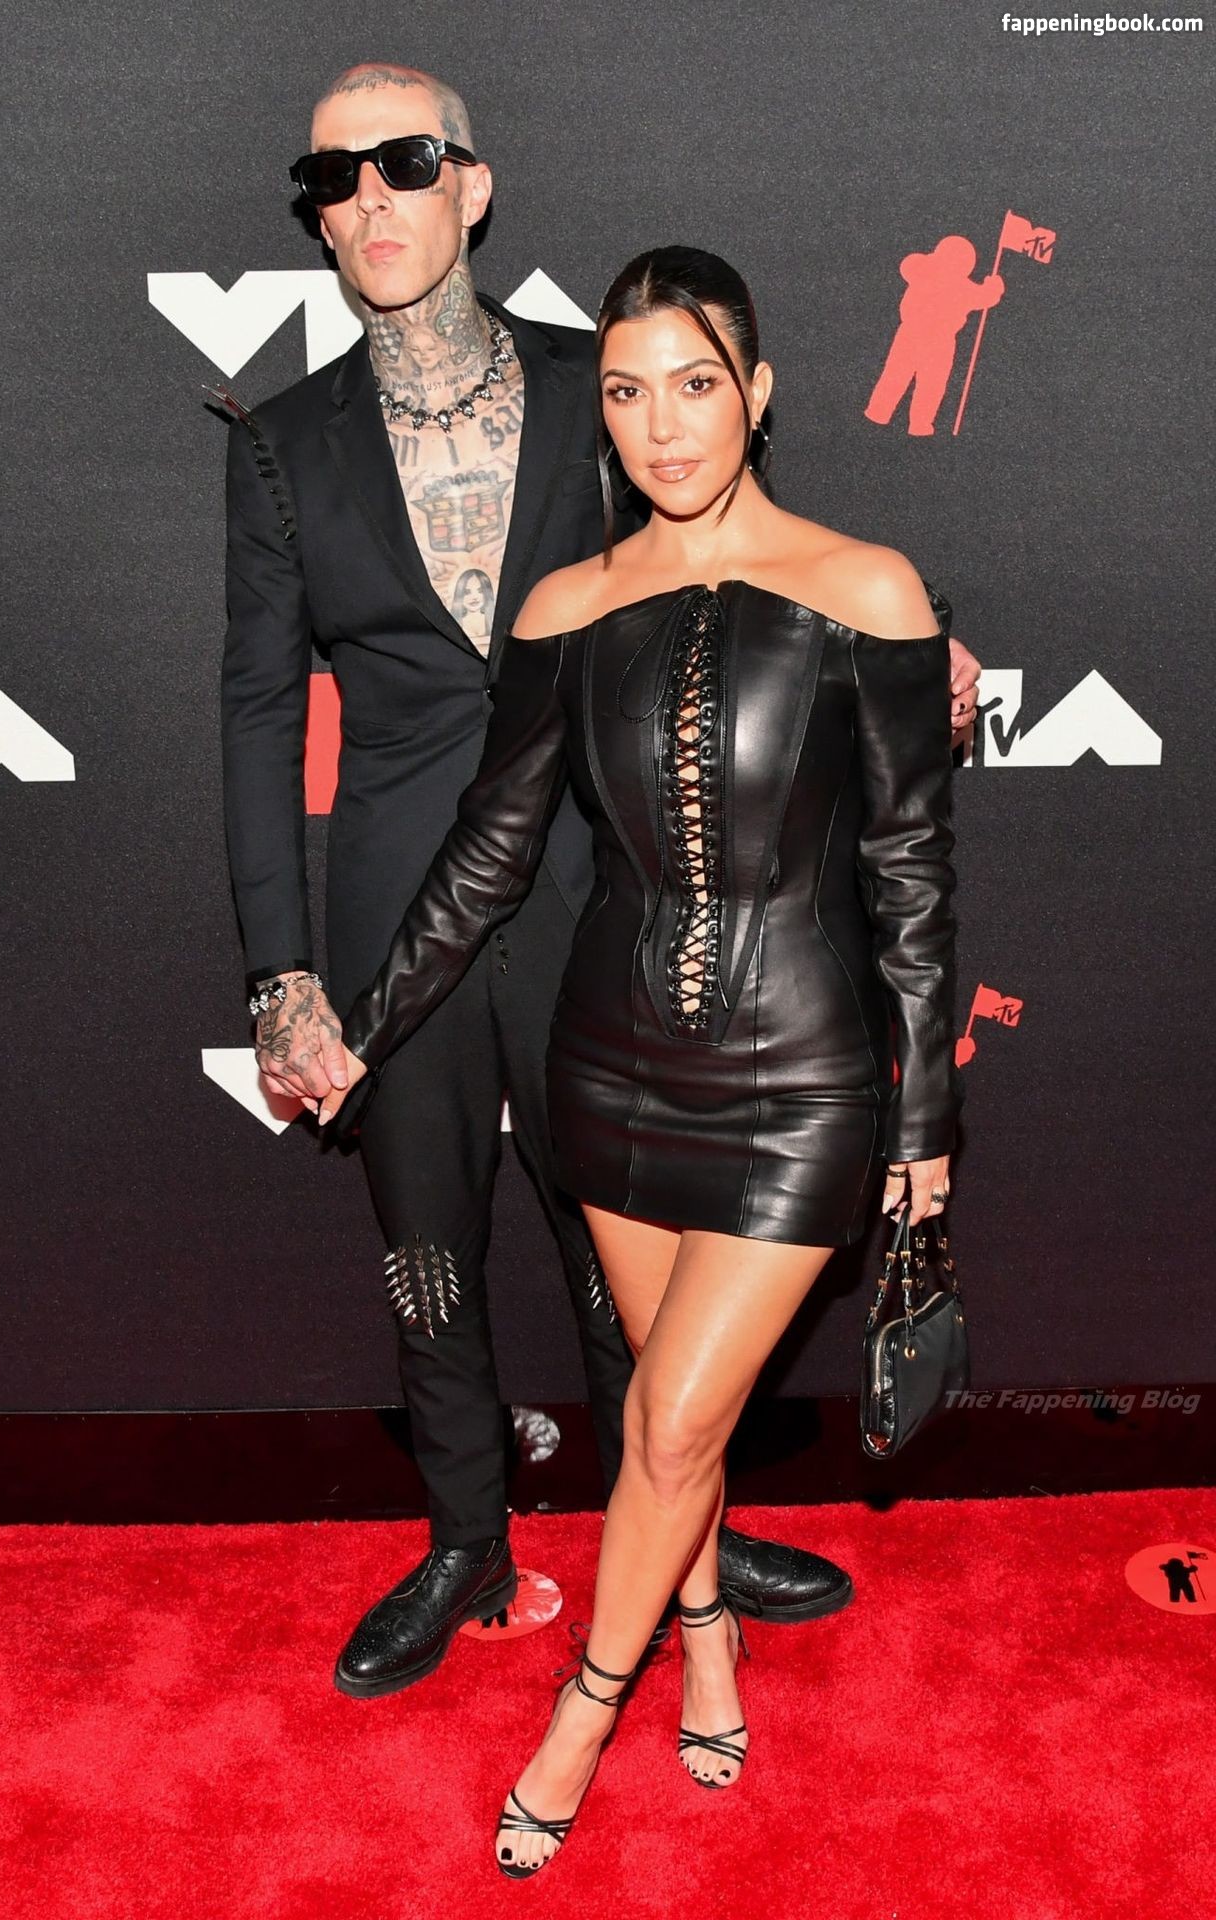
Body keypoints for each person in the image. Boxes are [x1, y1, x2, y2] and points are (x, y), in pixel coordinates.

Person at [222, 62, 981, 1702]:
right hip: (398, 890)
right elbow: (259, 713)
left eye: (404, 161)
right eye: (333, 177)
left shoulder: (607, 383)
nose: (371, 199)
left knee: (622, 1240)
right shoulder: (283, 445)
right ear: (320, 216)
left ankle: (679, 1508)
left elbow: (742, 563)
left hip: (608, 878)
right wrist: (282, 974)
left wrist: (910, 660)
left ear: (473, 185)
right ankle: (464, 1540)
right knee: (427, 1238)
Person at [315, 244, 965, 1874]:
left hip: (806, 1079)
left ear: (758, 393)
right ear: (598, 415)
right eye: (625, 392)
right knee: (680, 1422)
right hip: (607, 1068)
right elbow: (489, 854)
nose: (663, 426)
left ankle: (583, 1715)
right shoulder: (565, 608)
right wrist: (362, 1023)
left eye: (695, 384)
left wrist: (925, 1122)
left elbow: (909, 879)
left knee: (669, 1419)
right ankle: (711, 1642)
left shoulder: (870, 589)